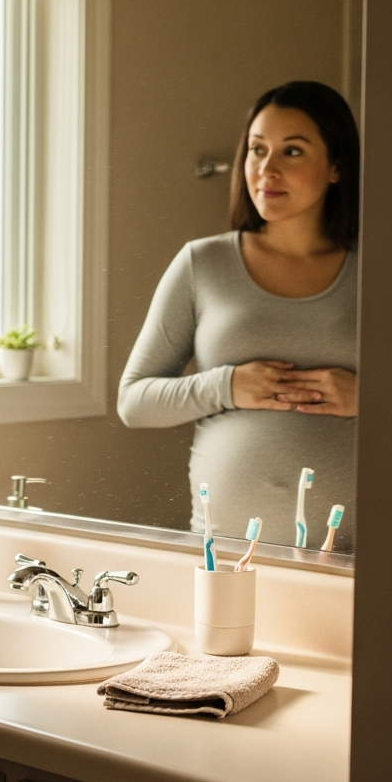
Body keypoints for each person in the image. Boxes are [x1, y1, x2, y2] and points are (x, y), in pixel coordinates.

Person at [117, 81, 359, 550]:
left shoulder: (381, 275)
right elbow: (134, 401)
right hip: (224, 558)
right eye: (256, 149)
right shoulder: (202, 264)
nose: (266, 169)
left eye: (292, 151)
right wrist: (226, 387)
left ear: (335, 166)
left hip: (359, 561)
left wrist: (372, 400)